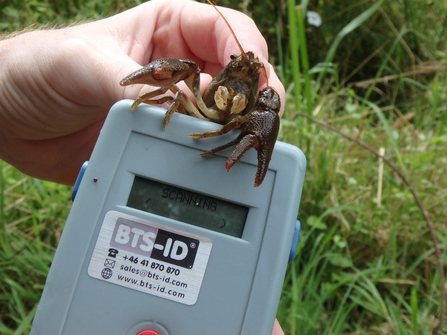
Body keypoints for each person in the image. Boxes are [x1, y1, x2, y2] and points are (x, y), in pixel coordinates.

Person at [0, 1, 286, 334]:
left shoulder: (257, 106)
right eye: (235, 64)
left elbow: (266, 113)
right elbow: (177, 87)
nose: (241, 73)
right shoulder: (193, 84)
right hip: (196, 122)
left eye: (250, 75)